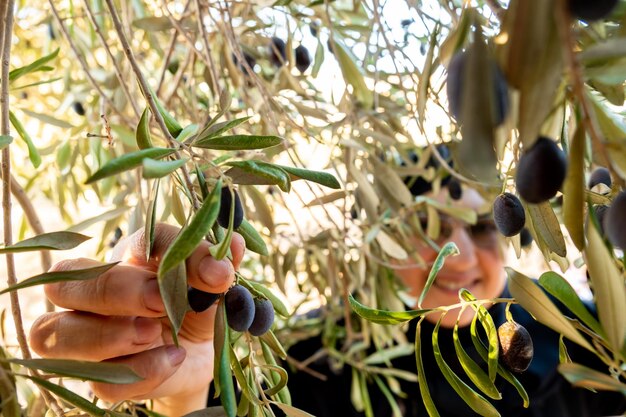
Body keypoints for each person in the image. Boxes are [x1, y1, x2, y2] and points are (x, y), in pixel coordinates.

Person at [29, 178, 626, 416]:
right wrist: (188, 394)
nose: (460, 257)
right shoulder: (308, 357)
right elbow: (212, 398)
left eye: (478, 229)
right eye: (427, 225)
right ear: (379, 241)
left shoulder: (570, 341)